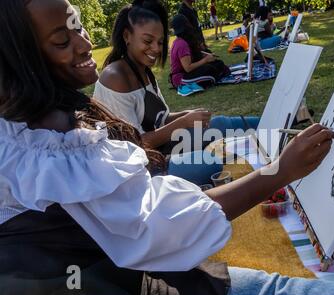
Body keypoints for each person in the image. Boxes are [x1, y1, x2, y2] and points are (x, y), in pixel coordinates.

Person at [1, 0, 334, 295]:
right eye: (62, 40)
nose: (82, 45)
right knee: (273, 286)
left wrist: (179, 123)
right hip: (109, 281)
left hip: (103, 264)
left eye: (78, 27)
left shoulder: (39, 114)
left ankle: (275, 129)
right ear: (18, 58)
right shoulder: (48, 135)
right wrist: (276, 174)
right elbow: (153, 227)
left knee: (219, 135)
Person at [93, 2, 257, 185]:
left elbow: (160, 119)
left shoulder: (143, 70)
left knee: (219, 123)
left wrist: (188, 114)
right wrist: (184, 122)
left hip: (163, 147)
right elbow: (134, 145)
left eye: (160, 42)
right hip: (141, 168)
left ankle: (275, 123)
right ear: (126, 36)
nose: (156, 48)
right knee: (209, 164)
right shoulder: (115, 77)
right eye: (148, 41)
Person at [170, 14, 229, 92]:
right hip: (181, 78)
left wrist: (204, 55)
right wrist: (205, 60)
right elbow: (188, 68)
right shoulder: (181, 44)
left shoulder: (182, 41)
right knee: (210, 70)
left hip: (186, 74)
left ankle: (219, 73)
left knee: (218, 63)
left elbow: (191, 60)